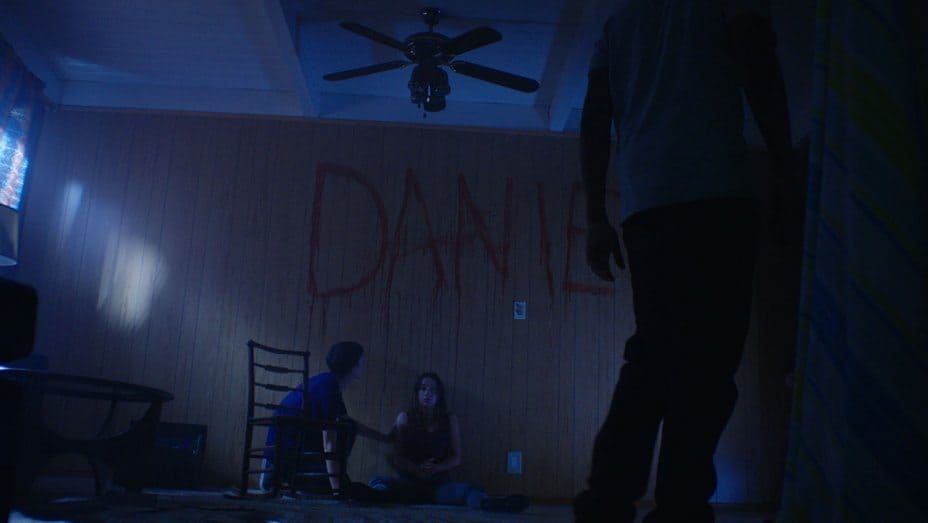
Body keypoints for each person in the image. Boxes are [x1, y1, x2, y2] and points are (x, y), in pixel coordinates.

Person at [573, 1, 795, 522]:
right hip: (718, 196)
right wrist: (785, 168)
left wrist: (597, 217)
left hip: (648, 206)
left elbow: (595, 119)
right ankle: (679, 506)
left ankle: (607, 501)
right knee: (707, 365)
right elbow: (758, 65)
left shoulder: (618, 26)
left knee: (653, 357)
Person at [368, 372, 529, 513]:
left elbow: (456, 457)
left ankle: (489, 504)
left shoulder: (449, 420)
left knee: (470, 490)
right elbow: (397, 457)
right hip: (410, 484)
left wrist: (436, 468)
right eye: (423, 389)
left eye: (433, 390)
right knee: (378, 481)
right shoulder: (405, 418)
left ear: (439, 395)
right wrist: (416, 469)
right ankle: (377, 496)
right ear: (417, 393)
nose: (428, 393)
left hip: (438, 486)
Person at [263, 341, 392, 495]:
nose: (364, 364)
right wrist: (337, 490)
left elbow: (348, 423)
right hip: (288, 458)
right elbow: (329, 443)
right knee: (352, 490)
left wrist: (385, 438)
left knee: (347, 426)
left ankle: (323, 481)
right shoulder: (329, 386)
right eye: (361, 359)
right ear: (354, 364)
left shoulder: (327, 382)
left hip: (290, 453)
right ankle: (281, 478)